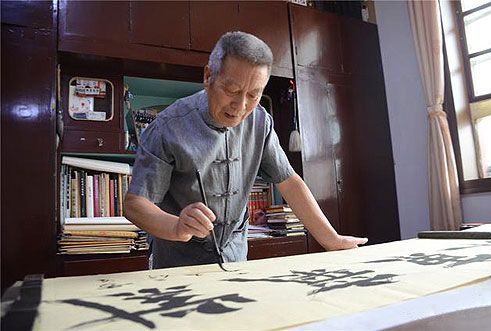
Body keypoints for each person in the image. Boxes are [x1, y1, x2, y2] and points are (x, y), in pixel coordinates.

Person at [124, 31, 368, 269]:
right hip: (177, 264)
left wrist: (331, 239)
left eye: (253, 94)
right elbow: (135, 204)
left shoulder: (261, 121)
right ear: (209, 76)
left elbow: (289, 182)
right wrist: (177, 226)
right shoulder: (167, 127)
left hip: (235, 259)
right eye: (232, 90)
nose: (240, 106)